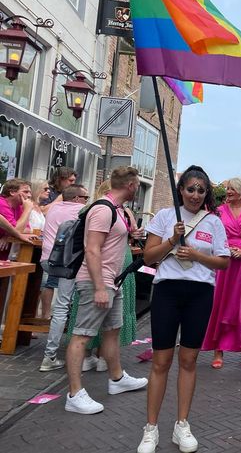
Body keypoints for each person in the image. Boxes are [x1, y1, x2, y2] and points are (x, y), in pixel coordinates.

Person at [137, 166, 230, 453]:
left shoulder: (214, 222)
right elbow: (149, 256)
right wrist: (171, 240)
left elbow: (224, 262)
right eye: (191, 189)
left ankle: (182, 425)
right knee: (161, 362)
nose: (195, 195)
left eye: (201, 190)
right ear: (181, 190)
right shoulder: (166, 217)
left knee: (188, 361)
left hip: (200, 294)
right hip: (167, 291)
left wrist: (197, 254)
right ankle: (150, 429)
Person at [64, 166, 147, 415]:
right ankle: (74, 394)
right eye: (137, 185)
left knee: (112, 331)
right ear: (131, 185)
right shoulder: (102, 209)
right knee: (82, 335)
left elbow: (111, 241)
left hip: (114, 280)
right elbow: (92, 249)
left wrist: (132, 233)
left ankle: (117, 378)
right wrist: (100, 287)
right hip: (97, 282)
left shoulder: (117, 209)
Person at [72, 179, 141, 372]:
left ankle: (113, 373)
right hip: (102, 271)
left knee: (111, 325)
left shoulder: (95, 209)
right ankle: (79, 384)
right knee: (86, 328)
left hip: (113, 269)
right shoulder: (106, 209)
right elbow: (93, 249)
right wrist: (100, 286)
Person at [202, 178, 241, 369]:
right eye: (227, 189)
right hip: (224, 263)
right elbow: (210, 234)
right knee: (220, 304)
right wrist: (224, 250)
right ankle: (218, 350)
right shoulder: (217, 211)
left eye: (232, 189)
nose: (228, 191)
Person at [38, 184, 90, 372]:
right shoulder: (82, 210)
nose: (87, 201)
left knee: (61, 304)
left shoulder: (53, 208)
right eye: (86, 197)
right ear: (77, 199)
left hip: (47, 261)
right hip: (68, 265)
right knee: (65, 305)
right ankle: (51, 356)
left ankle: (54, 352)